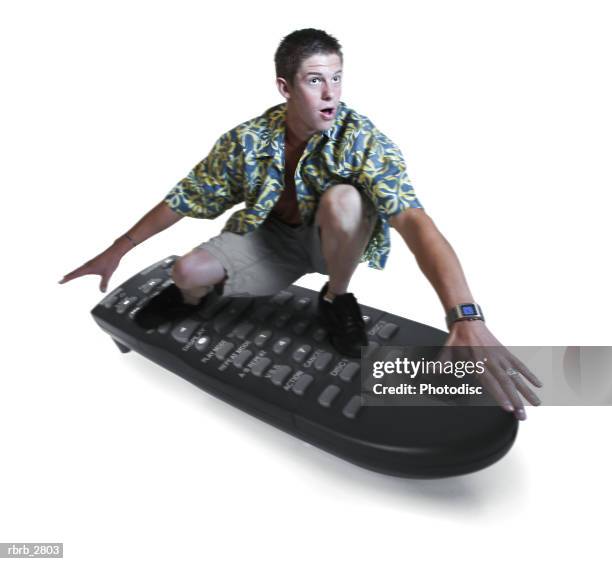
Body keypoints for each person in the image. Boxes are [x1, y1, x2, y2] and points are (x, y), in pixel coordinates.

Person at [59, 28, 542, 420]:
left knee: (345, 199)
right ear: (285, 87)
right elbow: (185, 197)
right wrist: (118, 248)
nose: (331, 93)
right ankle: (193, 298)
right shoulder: (247, 141)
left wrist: (465, 317)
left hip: (333, 247)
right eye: (315, 80)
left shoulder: (363, 139)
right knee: (186, 272)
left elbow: (415, 221)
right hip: (270, 243)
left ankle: (336, 298)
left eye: (337, 78)